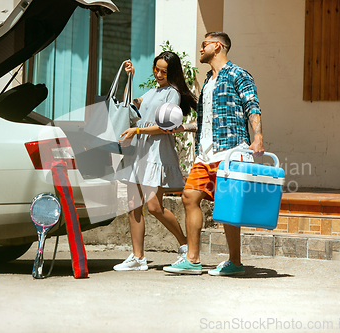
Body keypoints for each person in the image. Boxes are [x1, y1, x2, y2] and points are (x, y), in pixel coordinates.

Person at [163, 32, 264, 276]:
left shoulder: (238, 74)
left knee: (227, 206)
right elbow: (207, 119)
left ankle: (235, 262)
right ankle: (193, 259)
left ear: (217, 46)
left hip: (231, 150)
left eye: (204, 44)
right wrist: (184, 127)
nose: (200, 49)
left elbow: (252, 106)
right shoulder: (208, 80)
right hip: (206, 153)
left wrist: (258, 135)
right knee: (189, 196)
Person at [113, 51, 198, 271]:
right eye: (156, 69)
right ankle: (138, 257)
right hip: (139, 152)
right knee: (134, 206)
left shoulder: (173, 94)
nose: (158, 74)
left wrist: (138, 129)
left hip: (156, 152)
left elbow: (166, 127)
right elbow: (129, 105)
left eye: (163, 71)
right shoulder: (152, 92)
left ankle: (185, 245)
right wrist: (129, 78)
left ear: (173, 72)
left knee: (154, 207)